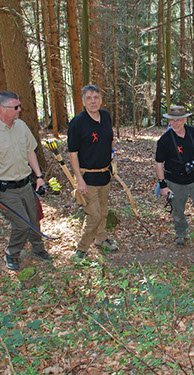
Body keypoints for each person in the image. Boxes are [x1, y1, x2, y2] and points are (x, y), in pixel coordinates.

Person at [0, 91, 52, 271]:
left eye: (19, 106)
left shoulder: (21, 126)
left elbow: (30, 152)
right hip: (5, 190)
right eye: (16, 107)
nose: (19, 109)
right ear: (3, 109)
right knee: (21, 224)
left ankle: (38, 249)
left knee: (33, 220)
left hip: (25, 185)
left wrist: (39, 177)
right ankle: (12, 253)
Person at [67, 85, 118, 259]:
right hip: (87, 176)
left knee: (103, 211)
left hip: (104, 174)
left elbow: (109, 140)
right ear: (83, 101)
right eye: (88, 98)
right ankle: (82, 248)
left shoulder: (106, 116)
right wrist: (79, 179)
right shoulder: (77, 123)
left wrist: (112, 157)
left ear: (101, 100)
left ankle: (101, 238)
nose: (93, 101)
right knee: (94, 215)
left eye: (96, 97)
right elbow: (73, 153)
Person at [155, 105, 194, 246]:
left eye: (179, 120)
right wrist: (163, 186)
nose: (175, 123)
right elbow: (159, 164)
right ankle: (181, 234)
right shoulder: (165, 140)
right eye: (172, 120)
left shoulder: (193, 133)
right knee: (177, 210)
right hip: (174, 181)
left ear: (185, 119)